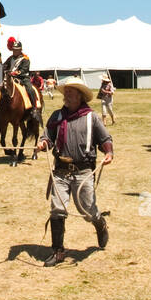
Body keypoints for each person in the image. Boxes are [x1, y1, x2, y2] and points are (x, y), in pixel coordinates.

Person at [37, 81, 112, 265]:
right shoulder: (57, 116)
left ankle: (100, 223)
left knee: (88, 211)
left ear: (80, 96)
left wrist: (109, 152)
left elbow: (105, 139)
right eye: (66, 92)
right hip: (60, 172)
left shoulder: (91, 117)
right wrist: (43, 143)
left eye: (71, 93)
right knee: (57, 209)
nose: (66, 96)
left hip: (83, 171)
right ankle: (58, 251)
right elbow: (48, 136)